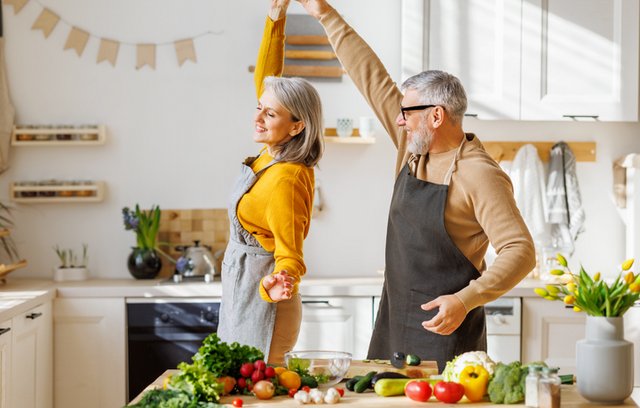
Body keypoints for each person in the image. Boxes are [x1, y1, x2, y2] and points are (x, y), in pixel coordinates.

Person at [297, 0, 536, 372]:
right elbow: (371, 76)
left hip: (448, 329)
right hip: (394, 321)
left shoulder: (479, 174)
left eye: (407, 113)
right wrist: (325, 14)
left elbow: (520, 250)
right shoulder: (412, 149)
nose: (399, 120)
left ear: (436, 116)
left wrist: (466, 299)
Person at [217, 0, 324, 366]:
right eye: (258, 107)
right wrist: (275, 16)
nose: (258, 117)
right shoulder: (272, 154)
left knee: (261, 395)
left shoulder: (286, 177)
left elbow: (290, 253)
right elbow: (267, 79)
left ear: (297, 126)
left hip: (267, 300)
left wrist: (280, 280)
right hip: (243, 291)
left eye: (271, 112)